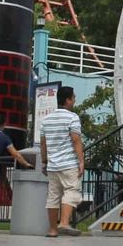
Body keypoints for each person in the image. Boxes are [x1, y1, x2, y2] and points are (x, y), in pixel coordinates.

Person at [38, 86, 84, 237]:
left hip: (53, 165)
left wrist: (44, 162)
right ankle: (64, 222)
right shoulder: (72, 117)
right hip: (69, 164)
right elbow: (76, 140)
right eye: (74, 97)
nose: (75, 100)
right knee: (71, 191)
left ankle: (52, 230)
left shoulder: (46, 120)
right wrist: (81, 162)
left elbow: (43, 143)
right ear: (68, 100)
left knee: (53, 196)